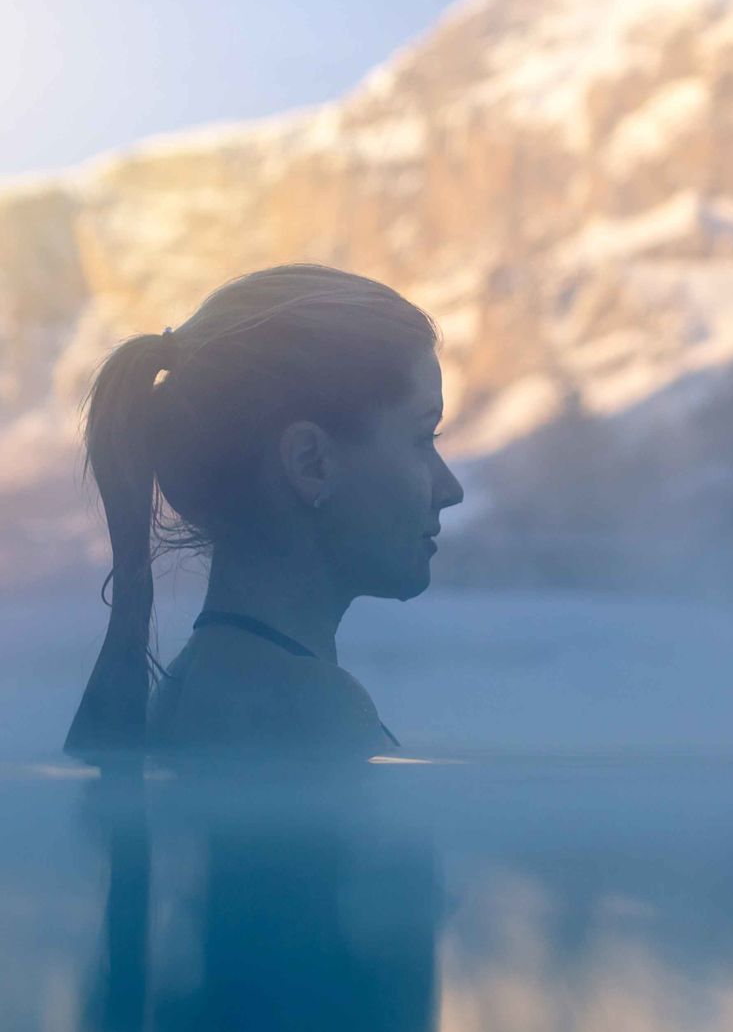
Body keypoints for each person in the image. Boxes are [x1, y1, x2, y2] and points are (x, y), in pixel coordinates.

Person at [64, 264, 465, 760]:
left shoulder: (195, 687)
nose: (452, 489)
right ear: (310, 462)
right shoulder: (308, 714)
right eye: (424, 437)